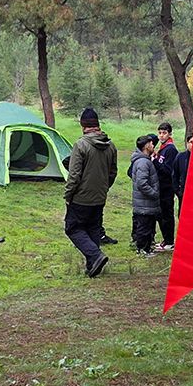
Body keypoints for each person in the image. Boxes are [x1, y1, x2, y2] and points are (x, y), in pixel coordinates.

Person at [64, 108, 117, 278]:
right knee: (93, 228)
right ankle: (92, 265)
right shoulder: (111, 146)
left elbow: (74, 175)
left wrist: (68, 195)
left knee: (72, 228)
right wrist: (104, 188)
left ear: (83, 125)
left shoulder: (81, 145)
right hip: (99, 197)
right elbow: (113, 173)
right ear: (97, 124)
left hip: (81, 197)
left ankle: (95, 256)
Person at [131, 135, 160, 257]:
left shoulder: (145, 160)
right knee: (144, 227)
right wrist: (154, 194)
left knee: (148, 226)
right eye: (152, 144)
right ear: (146, 146)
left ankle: (147, 248)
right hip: (145, 204)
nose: (153, 146)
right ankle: (142, 249)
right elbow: (142, 183)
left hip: (146, 204)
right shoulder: (143, 162)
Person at [152, 122, 178, 252]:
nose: (161, 135)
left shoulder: (171, 149)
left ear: (170, 134)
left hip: (167, 188)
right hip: (160, 187)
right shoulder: (162, 147)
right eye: (160, 133)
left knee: (167, 214)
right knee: (160, 214)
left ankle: (169, 242)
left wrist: (155, 161)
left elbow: (168, 170)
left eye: (164, 133)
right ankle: (165, 240)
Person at [172, 135, 192, 217]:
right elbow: (174, 175)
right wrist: (178, 192)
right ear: (187, 143)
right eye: (191, 142)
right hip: (183, 194)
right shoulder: (181, 157)